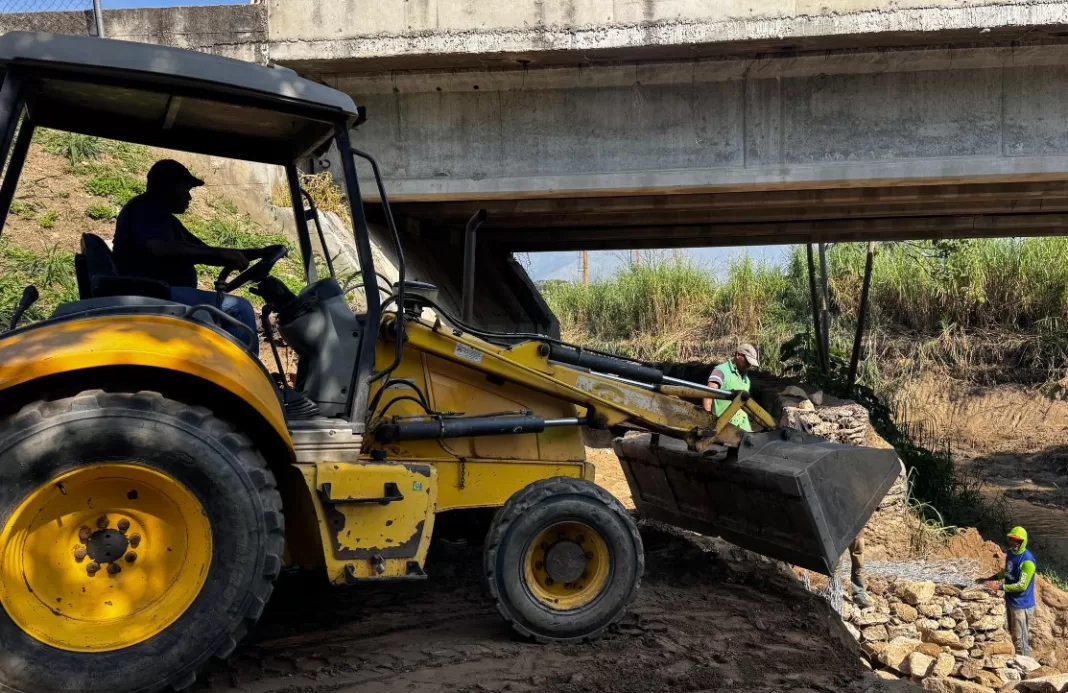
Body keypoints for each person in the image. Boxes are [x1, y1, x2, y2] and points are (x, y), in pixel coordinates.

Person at [112, 160, 272, 355]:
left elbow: (204, 251)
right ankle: (249, 378)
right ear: (167, 187)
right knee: (241, 309)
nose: (189, 197)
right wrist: (222, 254)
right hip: (154, 296)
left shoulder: (162, 219)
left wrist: (258, 253)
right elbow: (159, 248)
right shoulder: (145, 210)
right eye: (185, 189)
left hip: (161, 295)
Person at [977, 526, 1037, 656]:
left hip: (1022, 606)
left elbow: (1022, 586)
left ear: (1023, 542)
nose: (1014, 543)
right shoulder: (1010, 553)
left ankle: (1026, 667)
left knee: (1020, 640)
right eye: (1012, 540)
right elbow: (1008, 571)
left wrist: (998, 587)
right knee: (1013, 635)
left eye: (1017, 541)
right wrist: (992, 578)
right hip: (1011, 601)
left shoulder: (1027, 561)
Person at [703, 343, 759, 432]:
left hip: (743, 428)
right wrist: (707, 420)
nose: (748, 365)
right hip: (723, 427)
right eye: (747, 362)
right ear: (738, 355)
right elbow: (708, 395)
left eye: (750, 363)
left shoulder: (746, 379)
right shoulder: (721, 371)